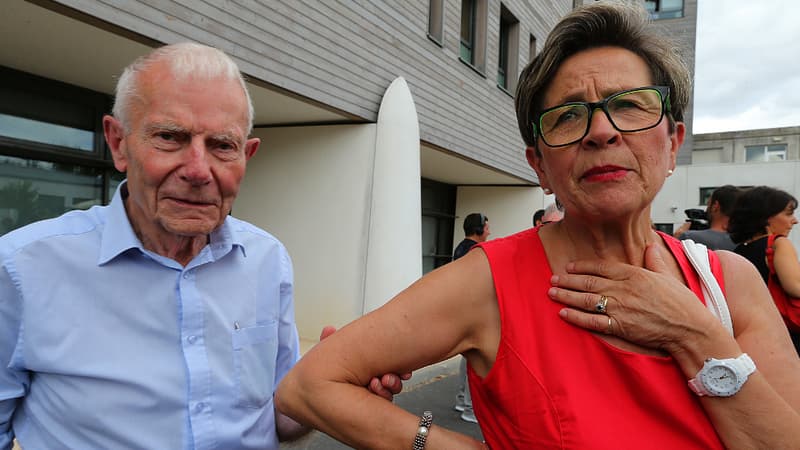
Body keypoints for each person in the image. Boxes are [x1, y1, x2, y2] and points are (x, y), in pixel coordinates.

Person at [276, 3, 800, 449]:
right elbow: (308, 385)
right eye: (569, 116)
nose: (600, 131)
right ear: (539, 165)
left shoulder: (729, 282)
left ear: (673, 143)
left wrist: (695, 333)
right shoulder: (491, 280)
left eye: (629, 106)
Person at [0, 42, 401, 450]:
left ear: (246, 155)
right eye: (169, 137)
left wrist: (326, 390)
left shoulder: (267, 260)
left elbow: (277, 416)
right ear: (118, 143)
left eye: (222, 146)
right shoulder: (22, 268)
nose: (197, 170)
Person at [729, 186, 800, 353]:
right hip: (788, 334)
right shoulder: (778, 243)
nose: (794, 221)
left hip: (753, 336)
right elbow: (795, 287)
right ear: (766, 218)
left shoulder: (738, 251)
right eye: (788, 213)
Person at [451, 213, 490, 423]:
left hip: (461, 309)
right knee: (475, 359)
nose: (489, 231)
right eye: (487, 227)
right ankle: (469, 407)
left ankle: (461, 401)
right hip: (471, 312)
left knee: (466, 358)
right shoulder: (474, 251)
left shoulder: (461, 248)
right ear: (479, 229)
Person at [675, 185, 740, 250]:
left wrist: (675, 240)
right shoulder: (743, 242)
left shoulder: (689, 238)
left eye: (708, 204)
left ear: (715, 206)